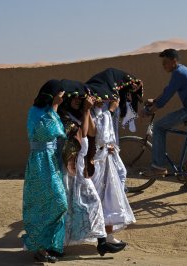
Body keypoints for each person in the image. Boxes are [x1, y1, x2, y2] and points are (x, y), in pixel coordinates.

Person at [58, 80, 126, 256]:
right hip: (71, 170)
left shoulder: (77, 115)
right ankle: (57, 245)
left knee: (93, 204)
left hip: (81, 170)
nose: (78, 102)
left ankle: (102, 242)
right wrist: (87, 111)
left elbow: (92, 133)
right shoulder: (64, 118)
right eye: (74, 99)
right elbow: (78, 136)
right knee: (69, 208)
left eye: (80, 99)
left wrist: (86, 111)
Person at [22, 80, 68, 263]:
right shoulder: (35, 112)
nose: (62, 99)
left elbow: (59, 132)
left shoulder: (48, 111)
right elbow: (49, 131)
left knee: (58, 204)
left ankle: (49, 245)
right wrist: (55, 106)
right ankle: (40, 248)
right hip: (40, 163)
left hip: (51, 161)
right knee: (46, 204)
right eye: (60, 95)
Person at [89, 98, 136, 243]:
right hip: (95, 161)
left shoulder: (102, 112)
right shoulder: (89, 113)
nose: (101, 101)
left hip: (107, 159)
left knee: (110, 197)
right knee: (97, 197)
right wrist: (110, 111)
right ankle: (101, 236)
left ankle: (107, 236)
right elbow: (98, 135)